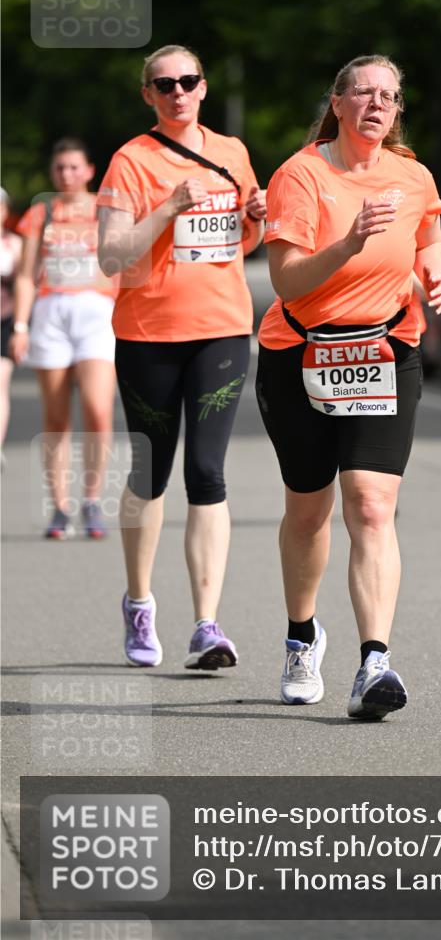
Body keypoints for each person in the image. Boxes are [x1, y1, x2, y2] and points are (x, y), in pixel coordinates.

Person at [255, 54, 441, 720]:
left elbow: (430, 235)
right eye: (363, 93)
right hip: (301, 354)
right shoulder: (301, 175)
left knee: (370, 505)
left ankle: (374, 663)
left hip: (386, 349)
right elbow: (286, 283)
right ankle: (301, 636)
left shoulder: (412, 174)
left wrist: (434, 272)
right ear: (336, 103)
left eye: (388, 95)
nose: (376, 103)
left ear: (397, 110)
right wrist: (348, 243)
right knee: (308, 510)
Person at [96, 44, 266, 670]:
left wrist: (256, 217)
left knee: (207, 471)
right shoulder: (129, 161)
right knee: (150, 474)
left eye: (187, 81)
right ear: (148, 95)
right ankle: (140, 602)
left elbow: (242, 241)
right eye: (163, 84)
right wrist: (169, 206)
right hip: (147, 333)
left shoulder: (232, 152)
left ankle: (207, 624)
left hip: (221, 328)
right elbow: (112, 256)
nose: (177, 92)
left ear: (203, 88)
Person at [9, 140, 117, 537]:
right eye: (60, 169)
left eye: (74, 168)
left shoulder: (105, 210)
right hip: (52, 313)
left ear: (89, 171)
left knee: (98, 411)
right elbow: (24, 275)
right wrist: (20, 326)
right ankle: (60, 507)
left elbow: (124, 263)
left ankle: (92, 500)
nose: (66, 175)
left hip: (96, 312)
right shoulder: (43, 212)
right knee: (56, 418)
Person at [0, 188, 23, 460]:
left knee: (1, 383)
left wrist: (21, 326)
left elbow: (25, 284)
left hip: (5, 319)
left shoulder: (14, 244)